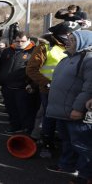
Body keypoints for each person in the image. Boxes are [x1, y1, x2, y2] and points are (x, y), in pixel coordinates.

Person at [26, 21, 81, 158]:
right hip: (49, 91)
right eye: (68, 34)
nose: (71, 37)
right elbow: (31, 69)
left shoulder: (79, 47)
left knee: (68, 119)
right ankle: (47, 144)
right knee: (49, 118)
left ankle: (67, 148)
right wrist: (47, 83)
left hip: (72, 92)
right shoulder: (45, 47)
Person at [45, 30, 92, 183]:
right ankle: (67, 166)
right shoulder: (67, 58)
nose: (67, 41)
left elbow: (89, 87)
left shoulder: (88, 59)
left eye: (72, 39)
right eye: (68, 38)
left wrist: (78, 108)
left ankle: (85, 176)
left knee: (82, 145)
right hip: (62, 111)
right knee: (67, 141)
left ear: (83, 41)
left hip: (75, 112)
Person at [0, 31, 37, 134]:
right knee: (11, 109)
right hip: (7, 87)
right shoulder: (7, 51)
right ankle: (15, 126)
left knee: (25, 110)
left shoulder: (33, 52)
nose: (19, 43)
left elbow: (37, 70)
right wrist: (0, 76)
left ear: (28, 40)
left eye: (22, 41)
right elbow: (0, 65)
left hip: (23, 88)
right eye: (17, 41)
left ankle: (27, 129)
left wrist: (31, 84)